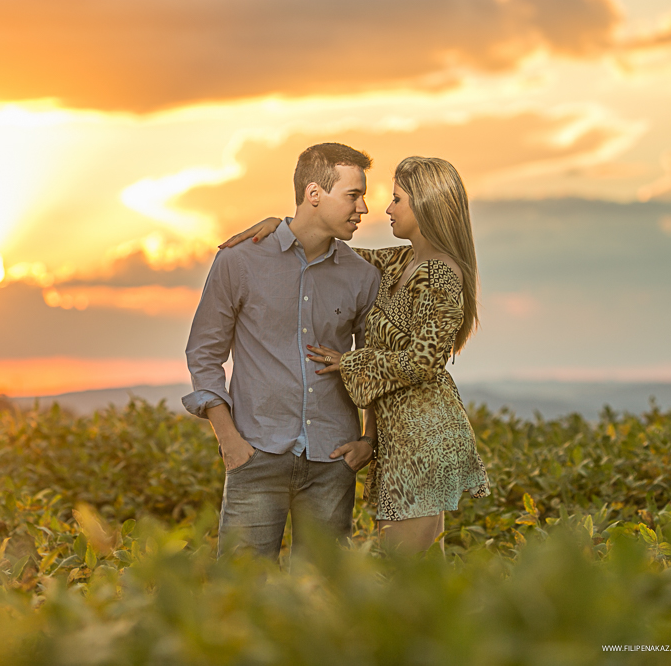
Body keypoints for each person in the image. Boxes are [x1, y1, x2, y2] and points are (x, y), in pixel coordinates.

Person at [222, 156, 490, 554]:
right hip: (398, 435)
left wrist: (348, 362)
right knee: (404, 566)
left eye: (397, 199)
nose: (385, 209)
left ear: (426, 204)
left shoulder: (441, 274)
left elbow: (422, 362)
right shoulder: (401, 261)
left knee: (407, 573)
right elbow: (328, 252)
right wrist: (282, 228)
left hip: (424, 435)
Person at [183, 143, 382, 560]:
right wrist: (230, 441)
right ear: (314, 194)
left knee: (320, 596)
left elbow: (373, 364)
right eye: (353, 195)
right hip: (255, 456)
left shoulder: (363, 275)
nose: (364, 207)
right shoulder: (240, 261)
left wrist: (368, 440)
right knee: (240, 594)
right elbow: (204, 353)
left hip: (333, 460)